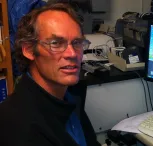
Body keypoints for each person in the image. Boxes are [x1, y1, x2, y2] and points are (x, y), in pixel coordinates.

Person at [0, 3, 100, 146]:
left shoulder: (68, 96)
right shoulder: (18, 126)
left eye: (77, 42)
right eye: (56, 43)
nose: (72, 54)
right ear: (29, 50)